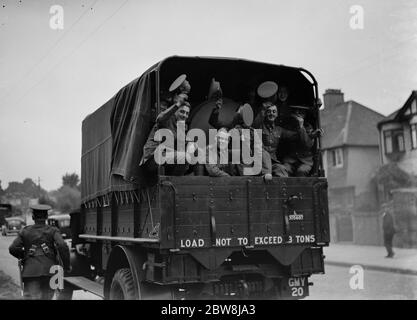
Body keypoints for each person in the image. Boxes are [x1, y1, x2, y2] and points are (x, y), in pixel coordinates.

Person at [9, 204, 70, 300]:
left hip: (30, 272)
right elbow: (62, 246)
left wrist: (25, 257)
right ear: (46, 217)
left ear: (33, 217)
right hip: (50, 272)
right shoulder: (53, 231)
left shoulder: (25, 231)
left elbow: (13, 248)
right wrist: (66, 266)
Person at [140, 74, 193, 176]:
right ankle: (176, 182)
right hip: (152, 157)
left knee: (193, 156)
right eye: (182, 112)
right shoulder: (167, 118)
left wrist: (191, 144)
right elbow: (159, 118)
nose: (184, 115)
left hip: (165, 157)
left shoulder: (180, 126)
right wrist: (177, 104)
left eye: (187, 113)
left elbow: (183, 144)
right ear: (175, 111)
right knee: (185, 157)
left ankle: (174, 181)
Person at [253, 102, 312, 179]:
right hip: (259, 162)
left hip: (272, 162)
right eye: (269, 111)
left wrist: (304, 129)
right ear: (265, 114)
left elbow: (296, 136)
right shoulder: (259, 126)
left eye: (274, 112)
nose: (271, 114)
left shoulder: (279, 130)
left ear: (277, 115)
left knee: (282, 170)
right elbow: (256, 123)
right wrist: (263, 110)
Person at [282, 105, 323, 176]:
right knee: (284, 170)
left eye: (301, 112)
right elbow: (288, 137)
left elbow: (307, 144)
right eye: (296, 111)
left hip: (305, 160)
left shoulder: (308, 127)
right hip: (290, 159)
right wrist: (309, 135)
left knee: (302, 171)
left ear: (304, 115)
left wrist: (302, 127)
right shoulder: (288, 126)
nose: (298, 114)